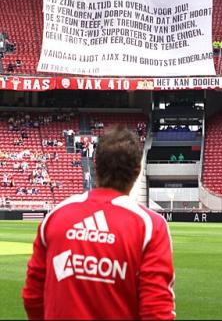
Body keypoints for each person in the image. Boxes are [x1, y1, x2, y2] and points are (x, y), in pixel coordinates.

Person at [22, 127, 175, 320]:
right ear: (137, 171)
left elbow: (33, 297)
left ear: (96, 165)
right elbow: (156, 311)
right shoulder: (150, 226)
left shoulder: (57, 215)